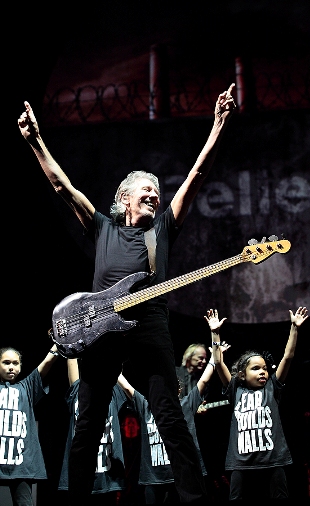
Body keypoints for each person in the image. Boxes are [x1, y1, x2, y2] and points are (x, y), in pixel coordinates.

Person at [18, 82, 236, 506]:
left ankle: (195, 499)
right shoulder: (102, 227)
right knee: (87, 425)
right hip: (99, 330)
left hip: (150, 326)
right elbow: (63, 188)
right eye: (146, 189)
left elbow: (197, 174)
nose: (155, 193)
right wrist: (36, 142)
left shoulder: (162, 231)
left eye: (157, 188)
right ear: (124, 198)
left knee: (172, 419)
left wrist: (218, 126)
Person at [205, 306, 308, 501]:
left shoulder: (272, 387)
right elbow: (219, 364)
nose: (262, 372)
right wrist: (215, 333)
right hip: (241, 464)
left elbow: (288, 356)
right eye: (255, 368)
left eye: (264, 369)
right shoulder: (235, 388)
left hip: (273, 461)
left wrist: (294, 328)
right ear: (242, 374)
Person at [117, 345, 217, 506]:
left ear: (178, 390)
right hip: (154, 477)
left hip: (182, 475)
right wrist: (112, 367)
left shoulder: (185, 404)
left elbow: (204, 380)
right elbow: (127, 387)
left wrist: (214, 357)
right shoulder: (145, 405)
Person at [58, 359, 128, 505]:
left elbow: (120, 377)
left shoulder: (113, 391)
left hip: (107, 477)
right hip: (80, 476)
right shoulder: (78, 390)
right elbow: (71, 359)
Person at [0, 344, 60, 506]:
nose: (11, 367)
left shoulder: (26, 387)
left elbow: (47, 363)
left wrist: (58, 343)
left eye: (15, 363)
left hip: (21, 463)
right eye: (6, 362)